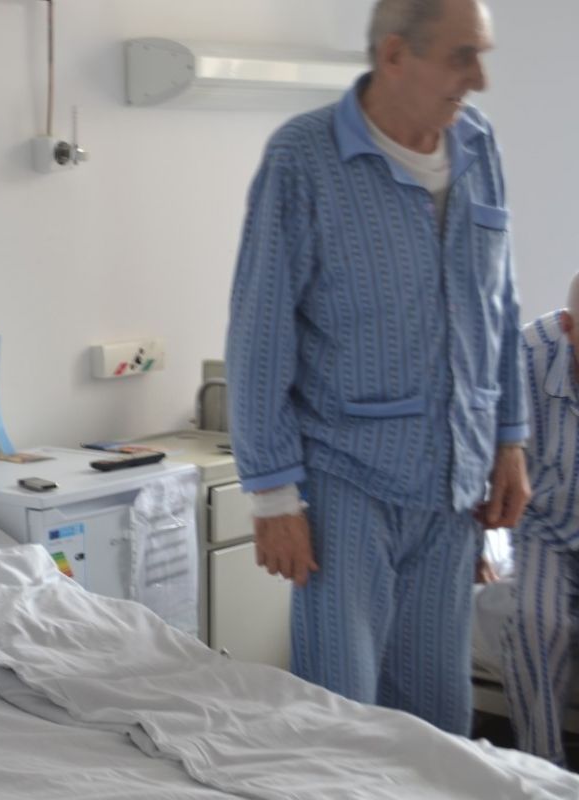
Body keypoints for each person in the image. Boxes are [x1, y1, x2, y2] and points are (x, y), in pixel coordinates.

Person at [226, 0, 530, 735]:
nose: (480, 78)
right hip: (346, 483)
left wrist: (509, 440)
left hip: (453, 488)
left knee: (439, 719)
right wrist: (272, 496)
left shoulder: (479, 144)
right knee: (343, 713)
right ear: (395, 55)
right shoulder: (304, 158)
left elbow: (499, 302)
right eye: (462, 56)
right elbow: (260, 331)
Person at [501, 273, 579, 766]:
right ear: (568, 328)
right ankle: (543, 767)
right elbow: (486, 455)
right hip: (544, 527)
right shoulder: (524, 358)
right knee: (537, 621)